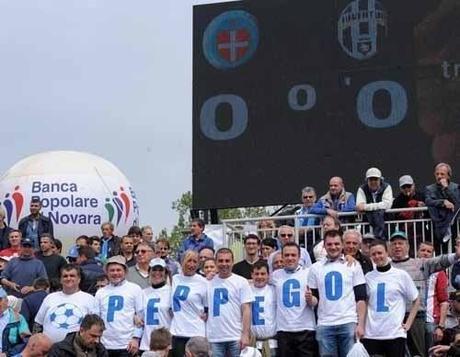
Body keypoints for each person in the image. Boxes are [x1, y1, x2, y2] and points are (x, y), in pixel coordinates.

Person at [390, 230, 460, 357]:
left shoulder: (420, 264)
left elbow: (440, 261)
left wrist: (456, 256)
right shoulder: (386, 265)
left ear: (408, 246)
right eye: (394, 244)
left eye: (400, 243)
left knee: (418, 354)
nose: (397, 246)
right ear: (389, 247)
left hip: (416, 316)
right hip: (393, 317)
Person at [307, 229, 367, 357]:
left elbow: (361, 298)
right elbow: (315, 299)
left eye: (336, 244)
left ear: (342, 245)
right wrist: (309, 299)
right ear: (324, 245)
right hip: (325, 324)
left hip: (348, 321)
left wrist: (360, 324)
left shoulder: (353, 265)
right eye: (329, 244)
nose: (333, 247)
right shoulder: (315, 268)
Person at [362, 240, 420, 357]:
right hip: (372, 333)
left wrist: (408, 324)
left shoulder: (400, 275)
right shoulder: (368, 277)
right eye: (373, 254)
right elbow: (366, 303)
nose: (377, 257)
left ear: (387, 253)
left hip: (394, 333)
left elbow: (416, 299)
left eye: (380, 253)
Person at [272, 242, 317, 356]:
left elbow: (317, 300)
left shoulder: (309, 273)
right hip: (284, 330)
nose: (290, 258)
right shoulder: (275, 275)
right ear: (282, 257)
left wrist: (311, 300)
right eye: (286, 255)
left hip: (305, 329)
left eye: (293, 255)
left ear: (299, 256)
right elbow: (258, 280)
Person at [207, 248, 253, 357]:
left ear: (233, 262)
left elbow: (246, 309)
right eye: (221, 261)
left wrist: (245, 334)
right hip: (214, 337)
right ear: (216, 262)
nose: (224, 264)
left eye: (227, 261)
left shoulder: (241, 282)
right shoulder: (208, 282)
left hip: (235, 336)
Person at [34, 264, 97, 343]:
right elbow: (38, 324)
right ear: (60, 279)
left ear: (79, 279)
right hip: (49, 350)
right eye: (65, 276)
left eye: (72, 276)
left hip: (76, 350)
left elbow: (95, 327)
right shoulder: (50, 298)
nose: (68, 278)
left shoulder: (90, 299)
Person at [95, 255, 143, 357]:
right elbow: (96, 318)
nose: (115, 273)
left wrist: (136, 338)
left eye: (118, 270)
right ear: (107, 273)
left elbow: (141, 316)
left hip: (127, 345)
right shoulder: (101, 292)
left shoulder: (134, 289)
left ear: (125, 272)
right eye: (112, 270)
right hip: (105, 344)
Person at [170, 250, 207, 357]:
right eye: (188, 261)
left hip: (196, 333)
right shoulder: (174, 279)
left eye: (195, 261)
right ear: (182, 262)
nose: (191, 264)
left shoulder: (203, 282)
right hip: (178, 332)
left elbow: (207, 307)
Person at [417, 241, 449, 351]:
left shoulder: (439, 272)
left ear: (432, 255)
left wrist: (440, 326)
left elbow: (444, 301)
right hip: (414, 320)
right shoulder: (410, 270)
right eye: (423, 250)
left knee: (431, 352)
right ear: (417, 252)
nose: (425, 253)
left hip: (431, 321)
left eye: (428, 251)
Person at [139, 258, 172, 352]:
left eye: (160, 270)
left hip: (165, 344)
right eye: (154, 269)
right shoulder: (142, 293)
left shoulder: (171, 291)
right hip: (146, 344)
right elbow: (139, 317)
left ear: (165, 273)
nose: (157, 273)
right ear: (149, 272)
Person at [425, 163, 460, 245]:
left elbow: (457, 202)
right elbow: (428, 201)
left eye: (442, 174)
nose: (439, 176)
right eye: (437, 174)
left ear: (448, 175)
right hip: (437, 226)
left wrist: (446, 188)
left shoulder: (455, 187)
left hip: (453, 225)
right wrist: (442, 202)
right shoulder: (429, 188)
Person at [356, 167, 393, 239]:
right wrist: (379, 206)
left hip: (386, 224)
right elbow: (359, 206)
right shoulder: (362, 188)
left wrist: (366, 207)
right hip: (367, 223)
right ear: (367, 180)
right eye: (370, 179)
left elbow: (387, 204)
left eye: (375, 179)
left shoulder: (387, 187)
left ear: (380, 180)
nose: (373, 182)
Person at [250, 260, 277, 357]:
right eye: (256, 274)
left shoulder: (274, 290)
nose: (259, 277)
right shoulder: (246, 290)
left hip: (272, 343)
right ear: (252, 275)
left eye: (263, 274)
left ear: (268, 275)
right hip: (252, 343)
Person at [0, 287, 30, 356]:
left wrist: (7, 354)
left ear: (6, 301)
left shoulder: (18, 319)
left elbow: (25, 341)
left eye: (0, 300)